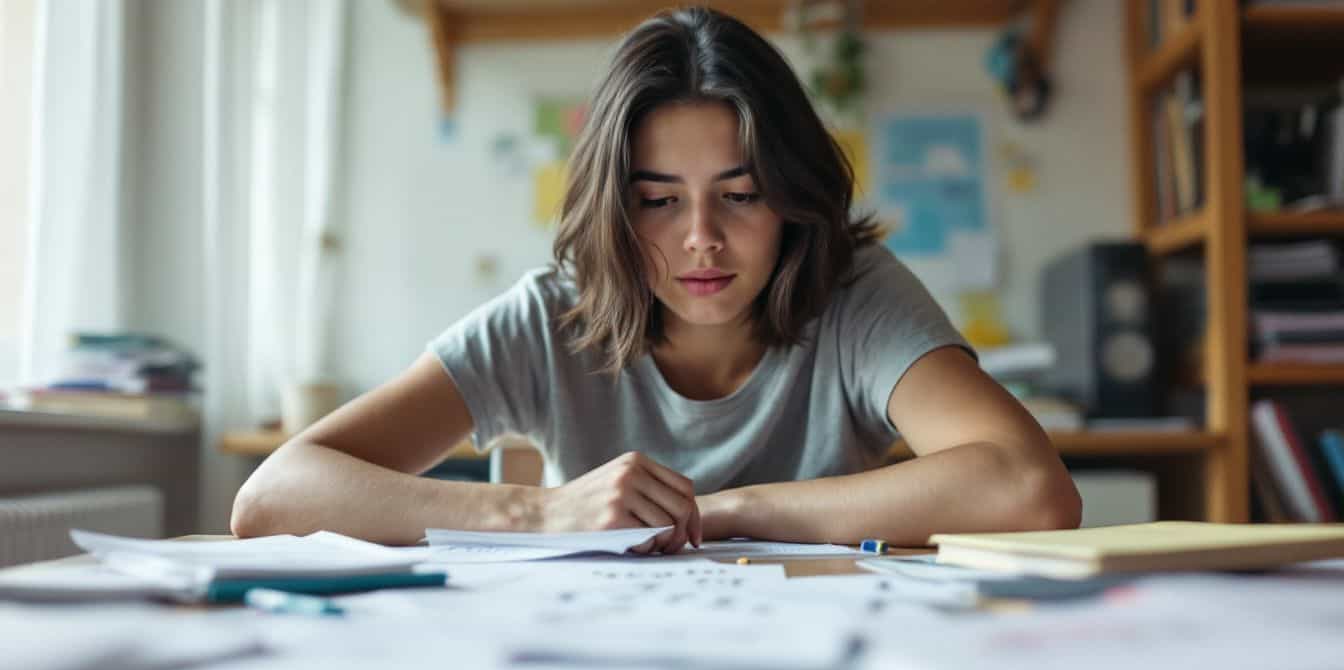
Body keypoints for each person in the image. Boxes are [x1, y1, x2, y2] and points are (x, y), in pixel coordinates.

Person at [232, 7, 1080, 552]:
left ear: (790, 198)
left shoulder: (852, 291)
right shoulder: (549, 315)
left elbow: (1029, 488)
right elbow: (271, 498)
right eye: (658, 202)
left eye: (740, 195)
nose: (701, 240)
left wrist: (733, 509)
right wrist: (544, 515)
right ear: (612, 207)